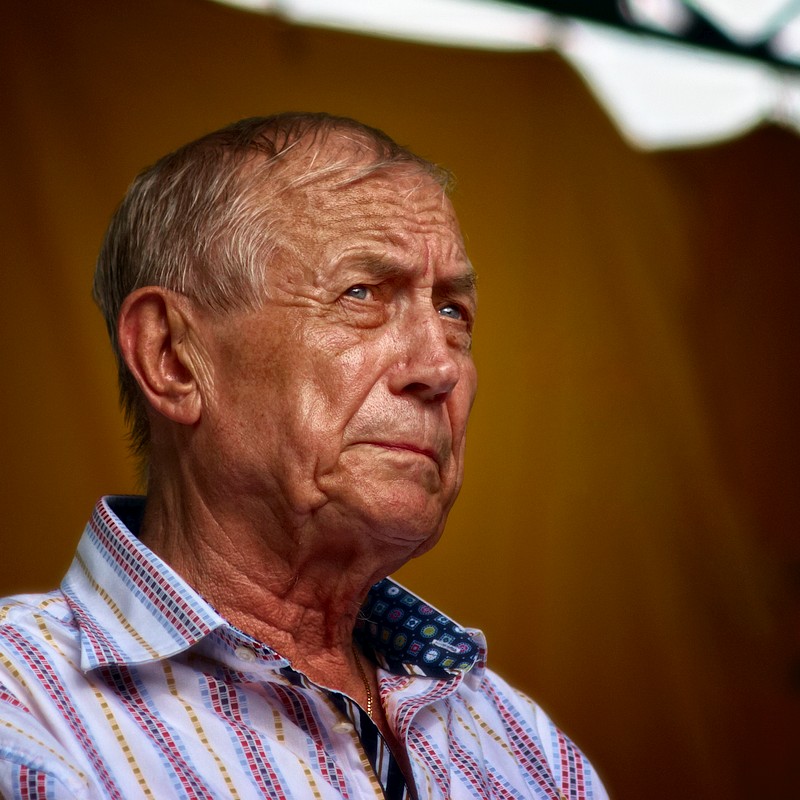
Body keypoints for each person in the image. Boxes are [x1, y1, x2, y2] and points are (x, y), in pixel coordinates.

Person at [0, 113, 607, 799]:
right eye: (361, 294)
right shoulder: (23, 711)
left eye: (452, 312)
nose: (439, 367)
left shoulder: (526, 748)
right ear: (173, 358)